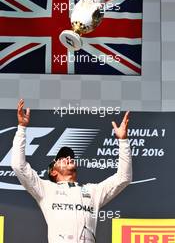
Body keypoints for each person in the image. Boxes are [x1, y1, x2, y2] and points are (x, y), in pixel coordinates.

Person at [11, 99, 132, 243]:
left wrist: (123, 141)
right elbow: (18, 165)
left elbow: (124, 178)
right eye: (61, 159)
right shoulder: (45, 189)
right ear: (53, 172)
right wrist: (21, 128)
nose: (68, 158)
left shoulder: (93, 191)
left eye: (69, 156)